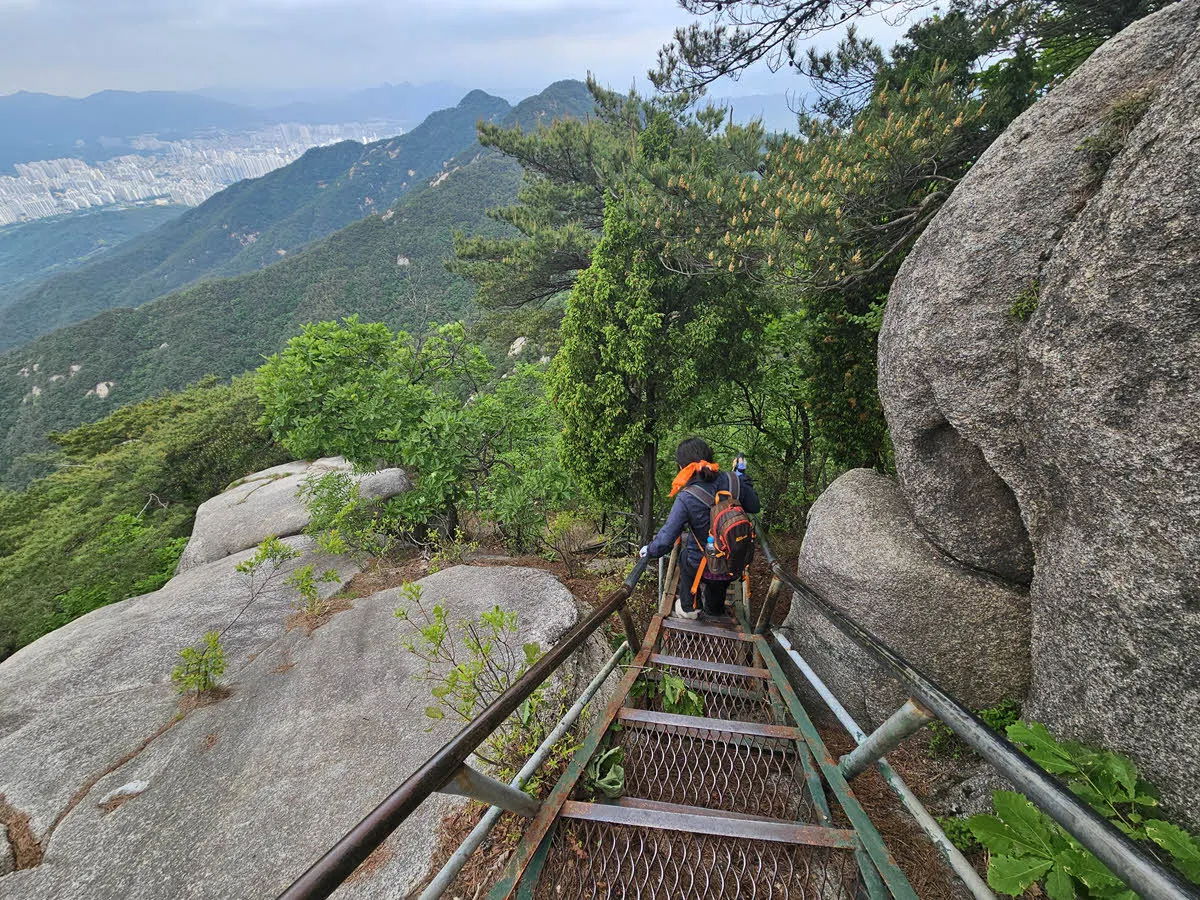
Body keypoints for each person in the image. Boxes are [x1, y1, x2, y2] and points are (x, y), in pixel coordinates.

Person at [640, 437, 760, 619]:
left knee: (686, 557)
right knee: (718, 577)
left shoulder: (686, 497)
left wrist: (649, 550)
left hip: (702, 565)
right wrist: (743, 478)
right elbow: (754, 506)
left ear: (682, 468)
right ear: (711, 458)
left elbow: (665, 540)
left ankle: (690, 608)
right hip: (732, 562)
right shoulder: (734, 480)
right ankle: (714, 611)